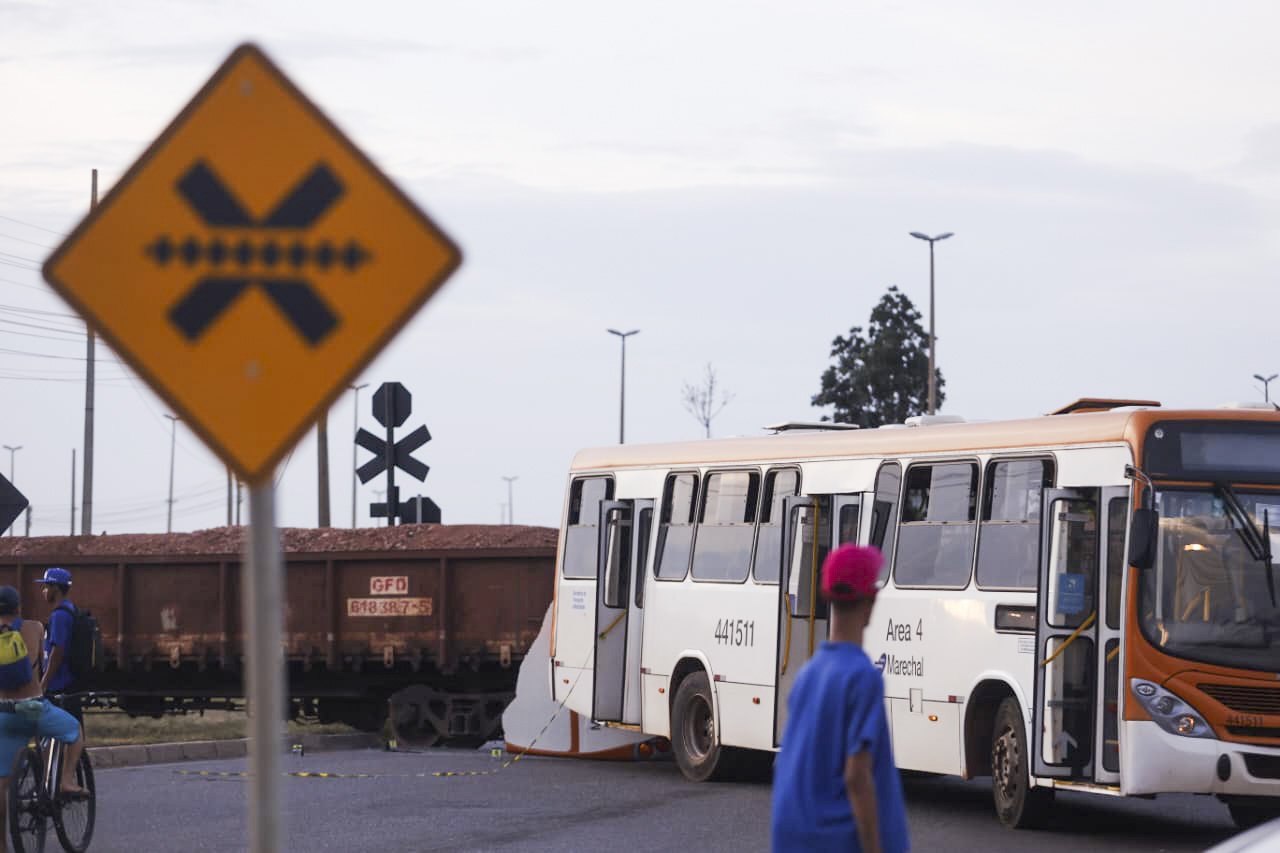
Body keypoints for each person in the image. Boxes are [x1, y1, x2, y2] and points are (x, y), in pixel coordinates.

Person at [771, 544, 909, 853]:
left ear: (826, 597)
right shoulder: (863, 677)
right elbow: (856, 775)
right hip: (841, 843)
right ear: (871, 602)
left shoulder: (807, 674)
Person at [0, 584, 85, 838]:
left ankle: (2, 845)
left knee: (2, 784)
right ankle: (66, 780)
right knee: (74, 730)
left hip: (3, 713)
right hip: (34, 708)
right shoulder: (35, 627)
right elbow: (41, 661)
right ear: (18, 607)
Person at [36, 567, 82, 723]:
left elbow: (58, 650)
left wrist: (45, 682)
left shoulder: (60, 615)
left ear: (55, 588)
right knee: (73, 730)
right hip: (66, 682)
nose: (44, 591)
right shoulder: (70, 608)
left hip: (60, 684)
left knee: (65, 731)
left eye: (46, 586)